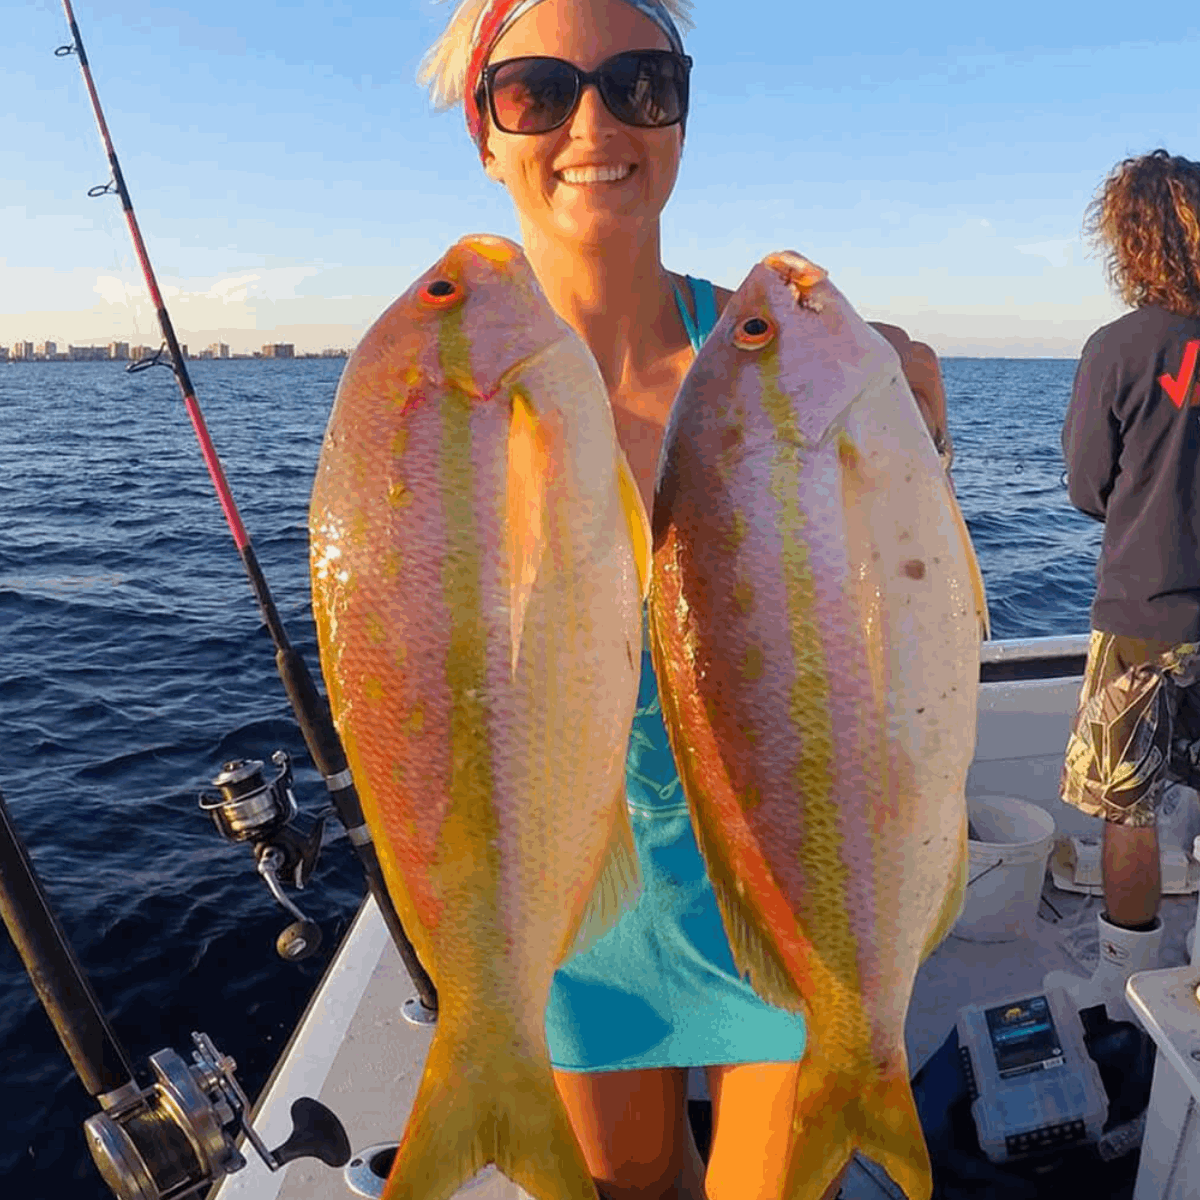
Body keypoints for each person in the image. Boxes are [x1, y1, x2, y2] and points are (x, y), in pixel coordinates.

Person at [418, 3, 950, 1196]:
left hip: (789, 883)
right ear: (486, 131)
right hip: (572, 911)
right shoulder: (445, 403)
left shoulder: (783, 362)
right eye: (539, 91)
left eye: (642, 83)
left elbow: (902, 639)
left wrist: (917, 454)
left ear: (681, 113)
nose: (594, 124)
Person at [1045, 148, 1200, 1024]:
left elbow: (1085, 487)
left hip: (1143, 614)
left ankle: (1120, 985)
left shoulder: (1117, 348)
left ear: (1130, 242)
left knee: (1126, 807)